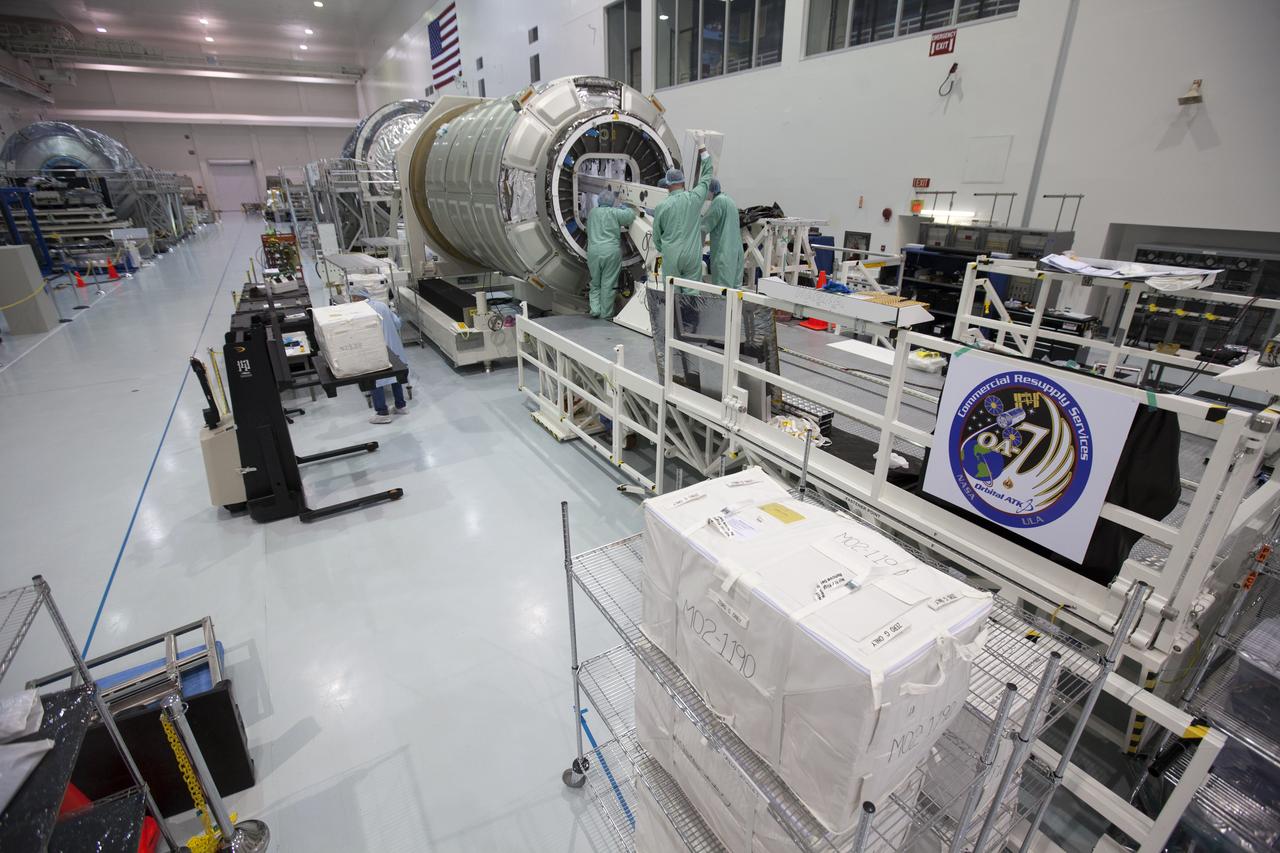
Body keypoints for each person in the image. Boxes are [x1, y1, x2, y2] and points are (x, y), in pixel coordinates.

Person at [653, 148, 714, 281]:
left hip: (671, 256)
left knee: (671, 295)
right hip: (692, 256)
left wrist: (665, 249)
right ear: (683, 181)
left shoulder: (661, 207)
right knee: (691, 295)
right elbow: (707, 177)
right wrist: (702, 148)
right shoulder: (694, 198)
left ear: (667, 184)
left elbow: (657, 237)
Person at [350, 286, 408, 424]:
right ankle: (401, 406)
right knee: (395, 376)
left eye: (352, 298)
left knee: (375, 380)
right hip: (393, 349)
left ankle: (382, 413)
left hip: (375, 350)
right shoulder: (382, 305)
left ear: (356, 297)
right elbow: (398, 324)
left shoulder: (357, 311)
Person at [585, 189, 636, 319]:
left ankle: (595, 309)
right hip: (610, 252)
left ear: (599, 200)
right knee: (608, 284)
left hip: (594, 252)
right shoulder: (614, 213)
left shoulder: (592, 213)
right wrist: (626, 207)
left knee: (595, 282)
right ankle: (605, 314)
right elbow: (630, 217)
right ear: (612, 201)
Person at [701, 178, 745, 289]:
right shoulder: (730, 201)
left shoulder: (718, 202)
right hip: (736, 253)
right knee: (735, 291)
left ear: (710, 190)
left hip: (724, 254)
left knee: (723, 291)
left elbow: (704, 226)